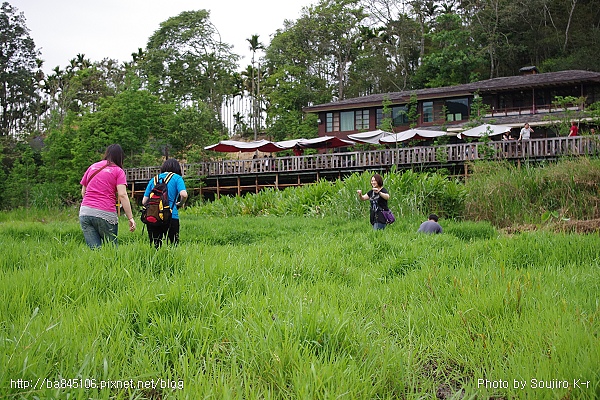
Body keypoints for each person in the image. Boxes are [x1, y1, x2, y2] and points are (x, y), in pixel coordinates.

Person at [79, 144, 136, 249]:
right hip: (105, 213)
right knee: (112, 249)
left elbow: (83, 191)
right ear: (120, 157)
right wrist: (130, 218)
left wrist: (91, 205)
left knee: (94, 250)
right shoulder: (118, 171)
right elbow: (122, 195)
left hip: (85, 212)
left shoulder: (92, 167)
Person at [142, 158, 188, 248]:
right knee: (173, 244)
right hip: (171, 215)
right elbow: (184, 194)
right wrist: (181, 203)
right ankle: (172, 261)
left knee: (156, 246)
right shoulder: (177, 178)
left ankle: (155, 261)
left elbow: (144, 201)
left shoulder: (154, 179)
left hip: (154, 216)